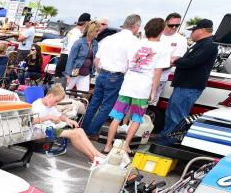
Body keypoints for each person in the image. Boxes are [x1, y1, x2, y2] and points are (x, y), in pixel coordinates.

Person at [103, 18, 170, 153]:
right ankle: (126, 146)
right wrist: (153, 92)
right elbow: (158, 72)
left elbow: (129, 63)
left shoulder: (135, 43)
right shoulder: (163, 48)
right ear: (161, 31)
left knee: (117, 117)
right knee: (137, 118)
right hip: (143, 89)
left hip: (127, 85)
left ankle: (108, 145)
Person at [81, 14, 141, 137]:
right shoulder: (134, 42)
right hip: (116, 76)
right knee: (106, 107)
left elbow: (96, 60)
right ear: (135, 26)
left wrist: (101, 72)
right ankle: (92, 132)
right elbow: (132, 64)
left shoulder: (110, 38)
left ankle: (83, 129)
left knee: (94, 104)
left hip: (102, 73)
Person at [159, 18, 217, 140]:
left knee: (177, 115)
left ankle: (170, 140)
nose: (191, 33)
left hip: (189, 86)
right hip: (184, 85)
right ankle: (166, 136)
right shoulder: (202, 43)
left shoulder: (209, 44)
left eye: (193, 30)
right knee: (172, 113)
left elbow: (192, 61)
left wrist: (176, 61)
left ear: (201, 30)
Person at [32, 85, 103, 162]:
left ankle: (96, 154)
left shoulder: (49, 105)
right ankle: (93, 158)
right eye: (56, 101)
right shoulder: (36, 105)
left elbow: (59, 115)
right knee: (73, 134)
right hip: (41, 131)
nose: (56, 104)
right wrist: (49, 117)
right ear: (50, 96)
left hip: (49, 128)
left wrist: (68, 120)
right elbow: (31, 121)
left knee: (80, 130)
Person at [151, 12, 188, 104]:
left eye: (177, 25)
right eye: (171, 25)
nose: (174, 27)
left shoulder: (181, 40)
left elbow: (173, 61)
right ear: (165, 22)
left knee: (148, 104)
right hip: (143, 75)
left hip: (160, 78)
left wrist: (153, 66)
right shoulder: (155, 34)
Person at [63, 20, 101, 92]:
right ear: (91, 31)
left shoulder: (95, 43)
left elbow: (94, 59)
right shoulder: (79, 42)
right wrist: (67, 75)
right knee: (65, 92)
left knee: (83, 94)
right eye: (97, 31)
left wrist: (92, 74)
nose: (98, 32)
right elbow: (71, 59)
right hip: (75, 71)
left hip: (86, 74)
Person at [57, 12, 90, 84]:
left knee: (60, 85)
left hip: (63, 57)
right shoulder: (77, 34)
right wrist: (70, 69)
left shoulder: (71, 31)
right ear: (86, 22)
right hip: (68, 60)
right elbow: (72, 51)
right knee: (64, 85)